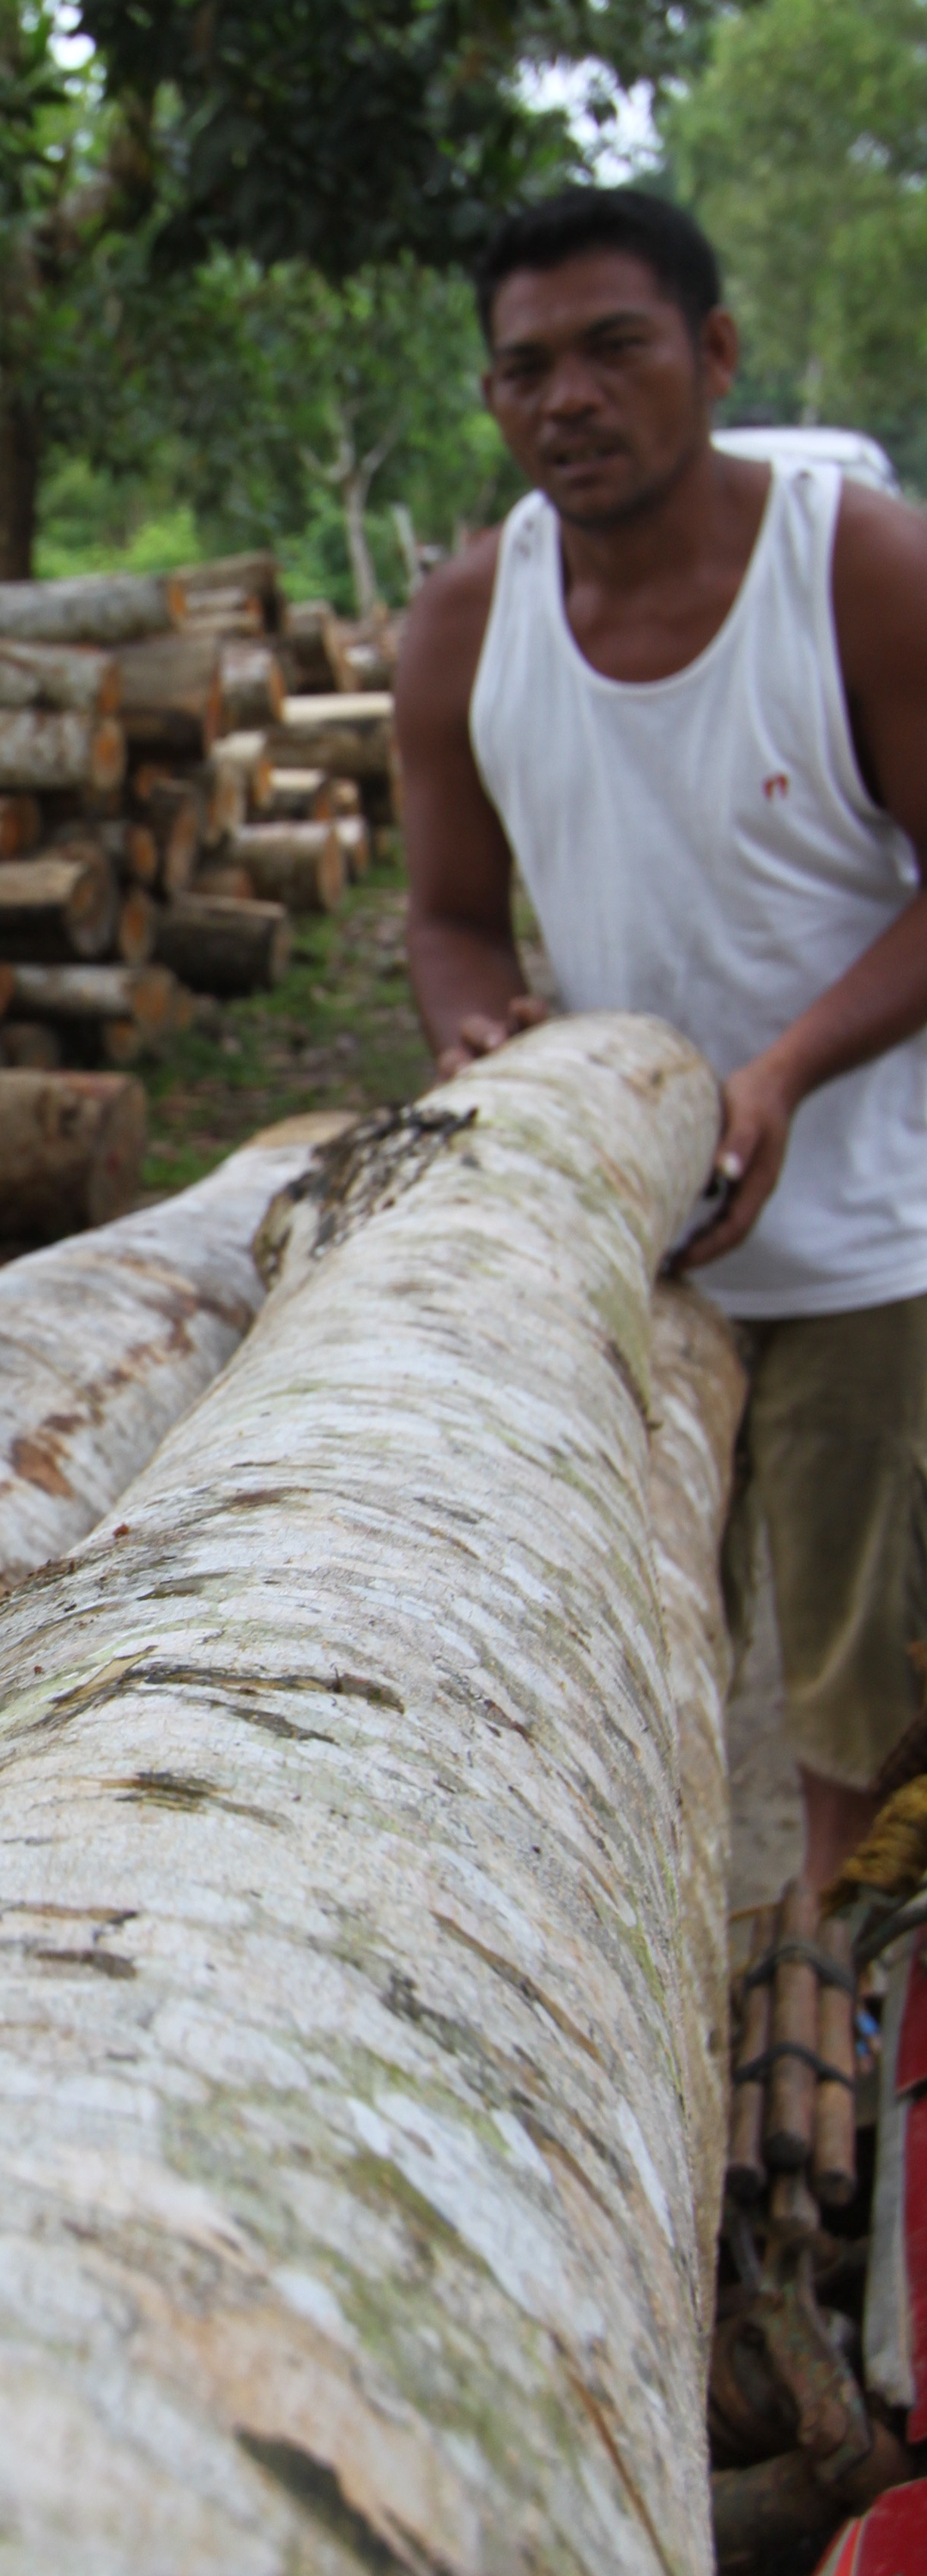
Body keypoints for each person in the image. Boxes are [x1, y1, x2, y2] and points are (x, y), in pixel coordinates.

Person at [398, 185, 927, 1888]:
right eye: (526, 369)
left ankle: (843, 2001)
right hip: (631, 1247)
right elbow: (451, 916)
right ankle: (682, 1999)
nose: (569, 398)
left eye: (615, 348)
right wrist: (480, 1039)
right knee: (634, 1676)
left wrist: (783, 1076)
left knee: (863, 1710)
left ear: (713, 353)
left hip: (869, 1246)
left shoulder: (858, 573)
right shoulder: (467, 622)